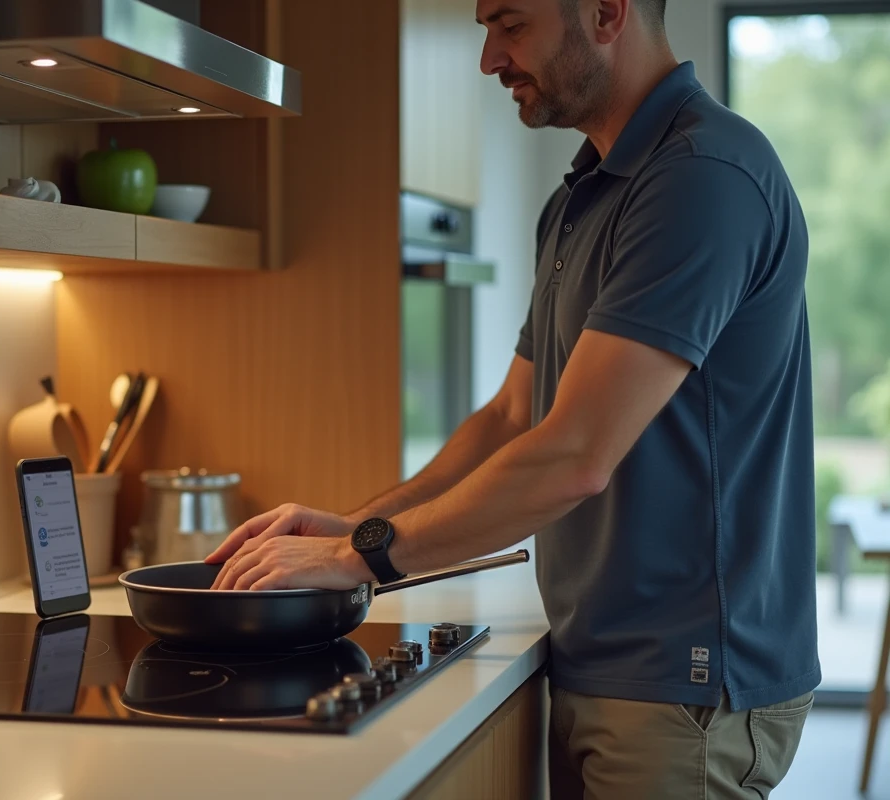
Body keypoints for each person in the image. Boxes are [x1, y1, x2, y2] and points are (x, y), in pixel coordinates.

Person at [206, 0, 820, 795]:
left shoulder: (702, 178)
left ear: (605, 13)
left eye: (511, 25)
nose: (490, 59)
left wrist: (357, 558)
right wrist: (361, 524)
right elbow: (510, 418)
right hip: (605, 661)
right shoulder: (580, 199)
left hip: (687, 682)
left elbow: (574, 455)